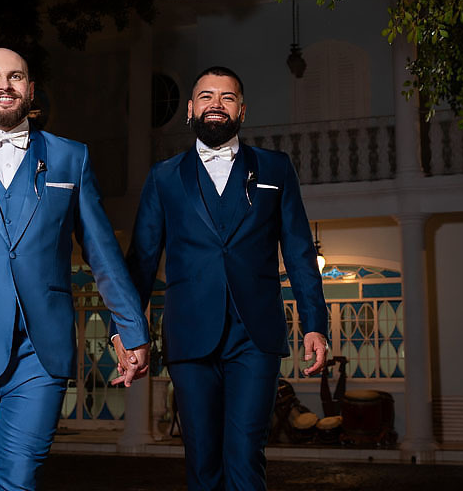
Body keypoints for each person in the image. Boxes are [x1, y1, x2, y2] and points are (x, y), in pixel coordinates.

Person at [0, 47, 149, 491]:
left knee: (17, 480)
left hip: (42, 350)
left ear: (31, 89)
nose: (4, 85)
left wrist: (130, 329)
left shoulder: (70, 157)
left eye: (15, 76)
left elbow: (103, 254)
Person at [124, 66, 328, 491]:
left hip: (255, 337)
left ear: (242, 110)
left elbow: (299, 252)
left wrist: (315, 323)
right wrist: (126, 332)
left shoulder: (275, 168)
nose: (216, 104)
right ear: (190, 109)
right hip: (189, 336)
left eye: (227, 97)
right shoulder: (163, 177)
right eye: (206, 96)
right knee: (202, 462)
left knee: (245, 456)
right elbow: (141, 261)